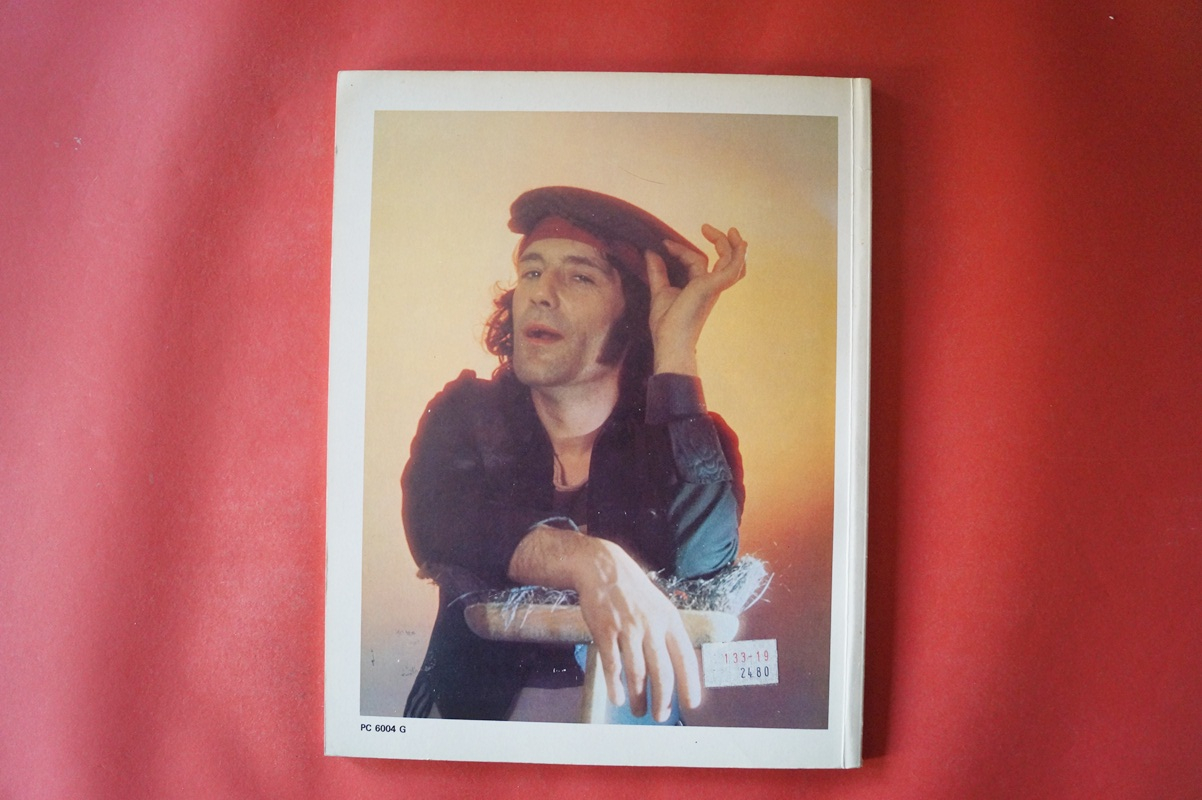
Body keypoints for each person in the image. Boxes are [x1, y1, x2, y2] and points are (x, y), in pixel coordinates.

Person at [401, 186, 747, 723]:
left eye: (580, 276)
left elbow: (703, 568)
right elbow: (439, 522)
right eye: (532, 271)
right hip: (475, 726)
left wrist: (676, 350)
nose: (541, 293)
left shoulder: (693, 437)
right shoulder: (464, 414)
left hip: (632, 736)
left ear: (631, 315)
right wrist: (590, 561)